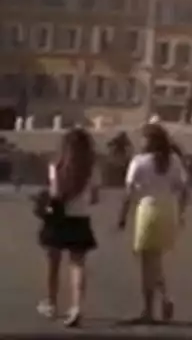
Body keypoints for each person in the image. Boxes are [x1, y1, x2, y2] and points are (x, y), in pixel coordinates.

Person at [117, 122, 190, 325]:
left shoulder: (139, 162)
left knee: (147, 265)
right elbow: (184, 188)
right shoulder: (173, 161)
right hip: (168, 210)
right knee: (155, 261)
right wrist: (182, 212)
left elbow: (129, 192)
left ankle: (149, 310)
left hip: (147, 211)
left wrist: (122, 216)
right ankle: (165, 299)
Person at [37, 127, 100, 327]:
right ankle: (76, 307)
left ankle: (51, 303)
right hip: (80, 218)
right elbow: (95, 198)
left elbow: (55, 194)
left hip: (58, 218)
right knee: (77, 264)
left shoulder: (57, 165)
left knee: (53, 263)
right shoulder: (92, 168)